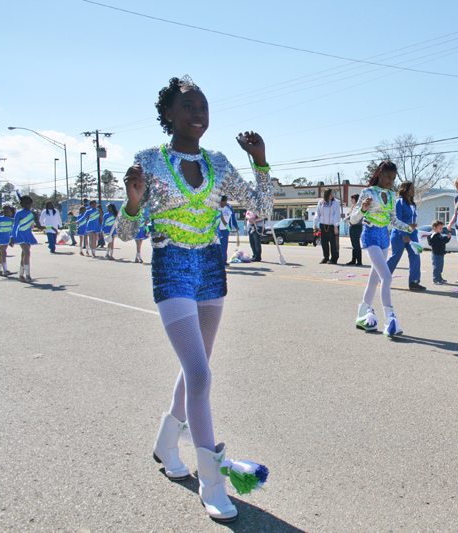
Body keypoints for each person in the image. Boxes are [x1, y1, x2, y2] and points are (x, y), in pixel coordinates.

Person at [118, 76, 272, 522]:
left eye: (203, 105)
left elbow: (259, 208)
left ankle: (167, 444)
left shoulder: (220, 163)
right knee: (201, 375)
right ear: (168, 113)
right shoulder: (148, 162)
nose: (197, 113)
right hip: (171, 269)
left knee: (195, 368)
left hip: (211, 269)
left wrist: (260, 161)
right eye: (187, 106)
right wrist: (132, 202)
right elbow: (127, 233)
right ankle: (212, 480)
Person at [350, 161, 416, 337]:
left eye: (393, 178)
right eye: (387, 177)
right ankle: (390, 319)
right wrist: (363, 208)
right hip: (370, 236)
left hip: (384, 239)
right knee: (386, 277)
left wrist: (407, 227)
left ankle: (362, 314)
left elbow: (393, 219)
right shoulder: (368, 192)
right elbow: (353, 219)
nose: (390, 181)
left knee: (374, 278)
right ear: (379, 174)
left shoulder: (391, 195)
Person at [386, 181, 425, 291]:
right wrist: (403, 234)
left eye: (414, 188)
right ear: (405, 189)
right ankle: (384, 277)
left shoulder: (412, 203)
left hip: (412, 234)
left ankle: (414, 282)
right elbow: (397, 220)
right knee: (396, 257)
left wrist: (413, 226)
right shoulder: (399, 202)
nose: (413, 190)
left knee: (415, 256)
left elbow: (410, 218)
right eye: (411, 188)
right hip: (400, 234)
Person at [10, 195, 44, 282]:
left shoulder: (33, 214)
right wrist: (12, 237)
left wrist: (49, 227)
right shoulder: (19, 213)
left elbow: (39, 226)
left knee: (24, 255)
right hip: (20, 234)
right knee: (27, 253)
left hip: (28, 235)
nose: (27, 205)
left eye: (29, 203)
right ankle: (27, 275)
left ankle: (21, 275)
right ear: (21, 204)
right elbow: (15, 226)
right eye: (25, 203)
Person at [313, 188, 341, 264]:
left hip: (332, 226)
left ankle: (334, 258)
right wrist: (315, 224)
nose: (331, 195)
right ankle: (326, 257)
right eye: (330, 194)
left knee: (333, 243)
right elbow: (317, 213)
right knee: (324, 242)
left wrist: (335, 226)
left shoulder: (335, 203)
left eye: (332, 194)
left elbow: (337, 215)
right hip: (323, 225)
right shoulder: (321, 203)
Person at [427, 220, 451, 284]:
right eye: (440, 228)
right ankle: (435, 279)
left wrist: (448, 238)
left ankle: (439, 278)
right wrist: (446, 237)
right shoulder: (434, 235)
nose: (441, 230)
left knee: (440, 267)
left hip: (441, 253)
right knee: (437, 267)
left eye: (442, 228)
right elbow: (439, 241)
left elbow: (444, 241)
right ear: (434, 228)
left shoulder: (439, 235)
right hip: (436, 254)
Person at [0, 205, 14, 276]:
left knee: (2, 253)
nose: (6, 212)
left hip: (6, 237)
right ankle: (4, 270)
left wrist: (12, 238)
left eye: (8, 211)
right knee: (3, 252)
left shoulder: (12, 220)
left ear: (10, 212)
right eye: (4, 210)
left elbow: (12, 230)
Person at [218, 195, 238, 266]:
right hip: (216, 230)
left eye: (224, 203)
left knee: (224, 246)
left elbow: (224, 222)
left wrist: (231, 229)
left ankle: (223, 261)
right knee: (216, 246)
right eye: (221, 203)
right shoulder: (216, 209)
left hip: (225, 230)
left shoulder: (228, 208)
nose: (222, 205)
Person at [345, 194, 363, 266]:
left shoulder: (359, 207)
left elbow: (358, 217)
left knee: (356, 243)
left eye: (352, 199)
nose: (351, 200)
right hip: (352, 225)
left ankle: (359, 261)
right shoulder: (353, 207)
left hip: (357, 226)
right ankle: (353, 259)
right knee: (353, 243)